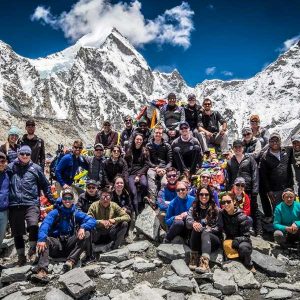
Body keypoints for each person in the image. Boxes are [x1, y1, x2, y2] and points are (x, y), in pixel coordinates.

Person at [32, 189, 96, 282]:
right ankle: (42, 271)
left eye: (69, 198)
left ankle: (71, 261)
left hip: (70, 244)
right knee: (45, 239)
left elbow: (92, 220)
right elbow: (45, 224)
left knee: (87, 233)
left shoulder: (75, 212)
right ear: (61, 199)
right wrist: (41, 239)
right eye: (65, 198)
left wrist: (83, 227)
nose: (67, 200)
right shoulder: (55, 212)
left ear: (73, 199)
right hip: (56, 244)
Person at [7, 145, 54, 266]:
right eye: (22, 154)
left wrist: (53, 201)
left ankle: (32, 249)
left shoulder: (36, 168)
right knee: (17, 232)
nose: (24, 156)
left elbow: (45, 185)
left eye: (27, 154)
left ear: (30, 155)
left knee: (33, 225)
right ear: (18, 154)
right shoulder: (10, 167)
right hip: (14, 204)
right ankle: (21, 256)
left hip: (31, 202)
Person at [226, 139, 261, 235]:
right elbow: (228, 178)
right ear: (233, 149)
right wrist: (228, 191)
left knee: (254, 208)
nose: (237, 149)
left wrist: (255, 189)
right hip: (235, 190)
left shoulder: (250, 159)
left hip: (249, 189)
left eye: (239, 147)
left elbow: (255, 174)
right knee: (236, 208)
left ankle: (258, 231)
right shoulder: (230, 162)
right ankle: (241, 228)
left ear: (243, 148)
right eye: (235, 147)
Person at [259, 132, 293, 221]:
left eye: (276, 140)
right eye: (272, 140)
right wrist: (269, 190)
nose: (274, 142)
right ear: (269, 142)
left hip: (288, 188)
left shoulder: (287, 151)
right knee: (278, 211)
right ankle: (279, 231)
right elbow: (264, 176)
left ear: (280, 141)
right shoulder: (265, 157)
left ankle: (292, 231)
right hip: (274, 190)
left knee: (291, 210)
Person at [186, 186, 221, 272]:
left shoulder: (215, 209)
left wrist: (210, 229)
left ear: (210, 196)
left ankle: (205, 262)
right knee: (196, 227)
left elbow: (219, 227)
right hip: (197, 241)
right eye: (201, 194)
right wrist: (194, 223)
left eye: (206, 194)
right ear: (198, 195)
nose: (204, 196)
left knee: (205, 231)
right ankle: (193, 258)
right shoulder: (194, 207)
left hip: (213, 240)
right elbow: (188, 220)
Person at [218, 192, 254, 271]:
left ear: (234, 201)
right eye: (223, 202)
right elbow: (219, 228)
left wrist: (237, 240)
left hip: (241, 241)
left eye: (228, 201)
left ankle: (249, 264)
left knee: (244, 248)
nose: (226, 204)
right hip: (228, 240)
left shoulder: (242, 216)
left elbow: (247, 236)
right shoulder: (221, 213)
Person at [146, 125, 172, 203]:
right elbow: (147, 160)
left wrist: (165, 169)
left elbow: (170, 161)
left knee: (164, 182)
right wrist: (156, 168)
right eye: (156, 133)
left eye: (160, 133)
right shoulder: (148, 145)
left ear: (162, 134)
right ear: (153, 133)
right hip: (153, 167)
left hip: (164, 168)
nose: (158, 134)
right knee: (150, 175)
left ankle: (161, 201)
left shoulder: (167, 146)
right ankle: (153, 201)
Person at [125, 133, 149, 215]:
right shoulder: (129, 151)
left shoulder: (145, 151)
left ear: (142, 141)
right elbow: (126, 164)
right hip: (131, 173)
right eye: (137, 139)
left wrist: (139, 175)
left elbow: (146, 165)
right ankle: (136, 212)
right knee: (133, 192)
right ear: (134, 140)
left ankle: (142, 201)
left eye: (140, 140)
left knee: (144, 184)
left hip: (141, 172)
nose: (139, 141)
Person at [0, 152, 9, 249]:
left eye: (2, 161)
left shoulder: (7, 174)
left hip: (4, 210)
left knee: (1, 236)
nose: (0, 163)